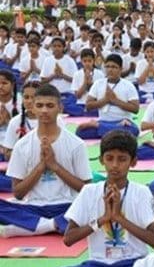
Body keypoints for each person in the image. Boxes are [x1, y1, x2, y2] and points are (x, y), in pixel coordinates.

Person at [42, 131, 154, 267]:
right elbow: (69, 239)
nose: (115, 165)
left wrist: (119, 218)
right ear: (101, 160)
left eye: (122, 159)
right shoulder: (89, 192)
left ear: (133, 162)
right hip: (98, 265)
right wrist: (102, 219)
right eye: (109, 158)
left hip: (134, 263)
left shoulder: (141, 192)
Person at [0, 84, 91, 238]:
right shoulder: (22, 145)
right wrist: (41, 167)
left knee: (98, 205)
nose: (44, 110)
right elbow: (18, 193)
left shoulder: (76, 144)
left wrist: (55, 166)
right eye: (39, 106)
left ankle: (35, 226)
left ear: (60, 108)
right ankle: (53, 225)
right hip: (33, 206)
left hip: (67, 206)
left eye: (50, 106)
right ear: (33, 108)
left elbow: (86, 189)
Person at [77, 54, 140, 139]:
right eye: (107, 66)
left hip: (123, 122)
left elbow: (135, 109)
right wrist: (105, 100)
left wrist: (115, 100)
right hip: (103, 121)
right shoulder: (98, 83)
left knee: (134, 130)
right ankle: (110, 131)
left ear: (121, 69)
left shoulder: (128, 85)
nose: (110, 70)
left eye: (114, 67)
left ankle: (102, 129)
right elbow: (88, 106)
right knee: (80, 132)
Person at [66, 49, 104, 117]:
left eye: (89, 61)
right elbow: (77, 96)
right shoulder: (77, 74)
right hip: (81, 104)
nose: (87, 63)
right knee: (68, 107)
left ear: (94, 60)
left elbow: (100, 95)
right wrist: (85, 82)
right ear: (81, 61)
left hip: (94, 104)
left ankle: (86, 112)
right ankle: (85, 111)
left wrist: (91, 84)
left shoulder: (100, 74)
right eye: (85, 61)